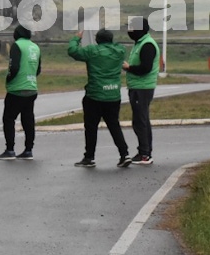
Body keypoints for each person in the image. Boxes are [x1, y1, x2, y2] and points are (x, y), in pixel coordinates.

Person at [67, 29, 132, 168]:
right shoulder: (120, 51)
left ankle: (89, 157)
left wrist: (76, 38)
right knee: (114, 125)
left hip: (95, 94)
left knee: (91, 127)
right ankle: (124, 153)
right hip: (113, 94)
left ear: (97, 40)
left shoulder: (92, 51)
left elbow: (73, 51)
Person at [0, 25, 41, 160]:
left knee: (9, 119)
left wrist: (9, 78)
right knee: (28, 120)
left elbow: (13, 66)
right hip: (32, 89)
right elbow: (38, 69)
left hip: (16, 89)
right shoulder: (36, 47)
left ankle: (10, 149)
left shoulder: (17, 46)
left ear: (17, 34)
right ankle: (28, 150)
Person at [123, 17, 159, 165]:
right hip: (137, 86)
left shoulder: (147, 45)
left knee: (140, 121)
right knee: (141, 120)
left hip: (142, 87)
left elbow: (146, 68)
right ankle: (144, 151)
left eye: (131, 28)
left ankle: (145, 154)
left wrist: (128, 68)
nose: (129, 31)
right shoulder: (140, 43)